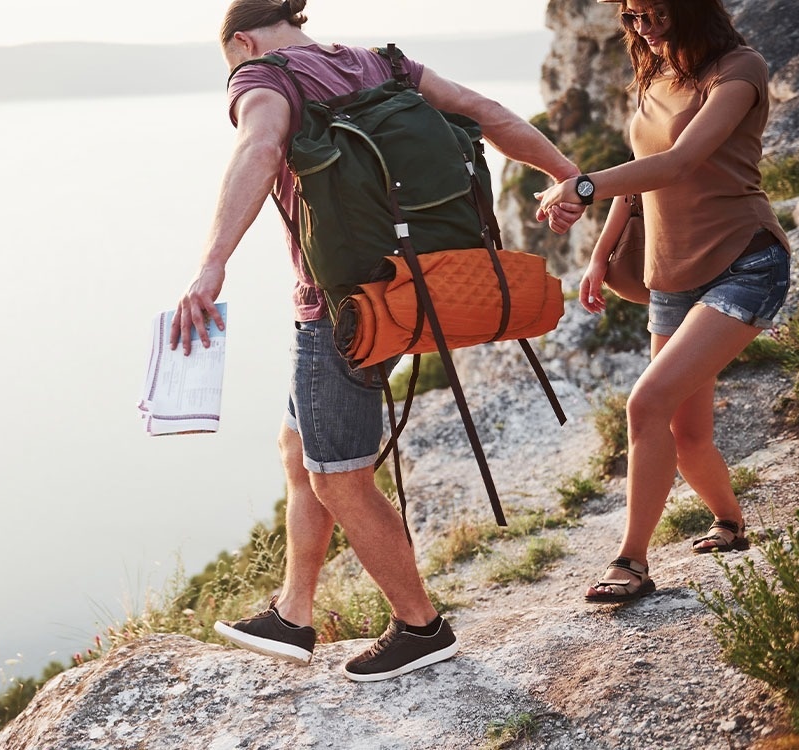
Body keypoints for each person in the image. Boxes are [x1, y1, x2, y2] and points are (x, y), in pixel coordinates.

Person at [172, 0, 585, 682]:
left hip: (342, 310)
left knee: (339, 476)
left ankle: (420, 627)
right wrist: (566, 175)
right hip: (414, 285)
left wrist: (212, 263)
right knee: (299, 449)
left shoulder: (262, 77)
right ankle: (294, 612)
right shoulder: (378, 64)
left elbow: (260, 145)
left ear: (242, 41)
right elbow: (491, 114)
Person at [536, 0, 791, 603]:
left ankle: (631, 561)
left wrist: (582, 186)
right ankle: (730, 522)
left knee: (645, 403)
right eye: (633, 15)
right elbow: (644, 168)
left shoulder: (739, 69)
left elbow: (679, 162)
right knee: (686, 431)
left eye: (656, 13)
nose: (643, 27)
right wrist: (602, 252)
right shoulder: (657, 75)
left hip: (745, 263)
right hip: (671, 275)